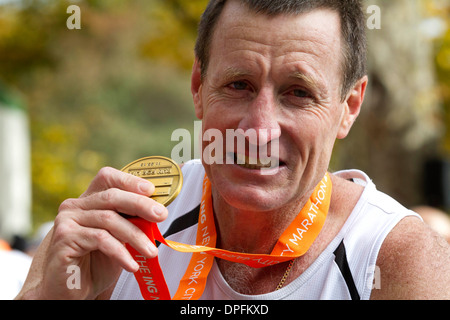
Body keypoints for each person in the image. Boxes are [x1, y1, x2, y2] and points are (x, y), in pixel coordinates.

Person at [17, 0, 450, 300]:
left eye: (298, 93)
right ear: (198, 88)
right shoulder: (117, 224)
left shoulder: (399, 262)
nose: (259, 129)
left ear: (348, 108)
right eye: (239, 85)